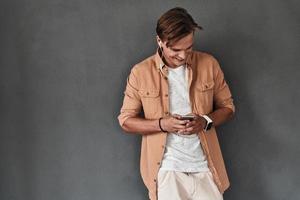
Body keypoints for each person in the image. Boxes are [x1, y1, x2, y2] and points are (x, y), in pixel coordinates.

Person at [118, 7, 235, 200]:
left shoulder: (209, 64)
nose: (183, 56)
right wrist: (162, 124)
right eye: (176, 50)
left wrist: (205, 121)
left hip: (206, 168)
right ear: (160, 41)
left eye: (188, 48)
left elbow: (228, 107)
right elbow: (125, 120)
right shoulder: (140, 73)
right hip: (168, 171)